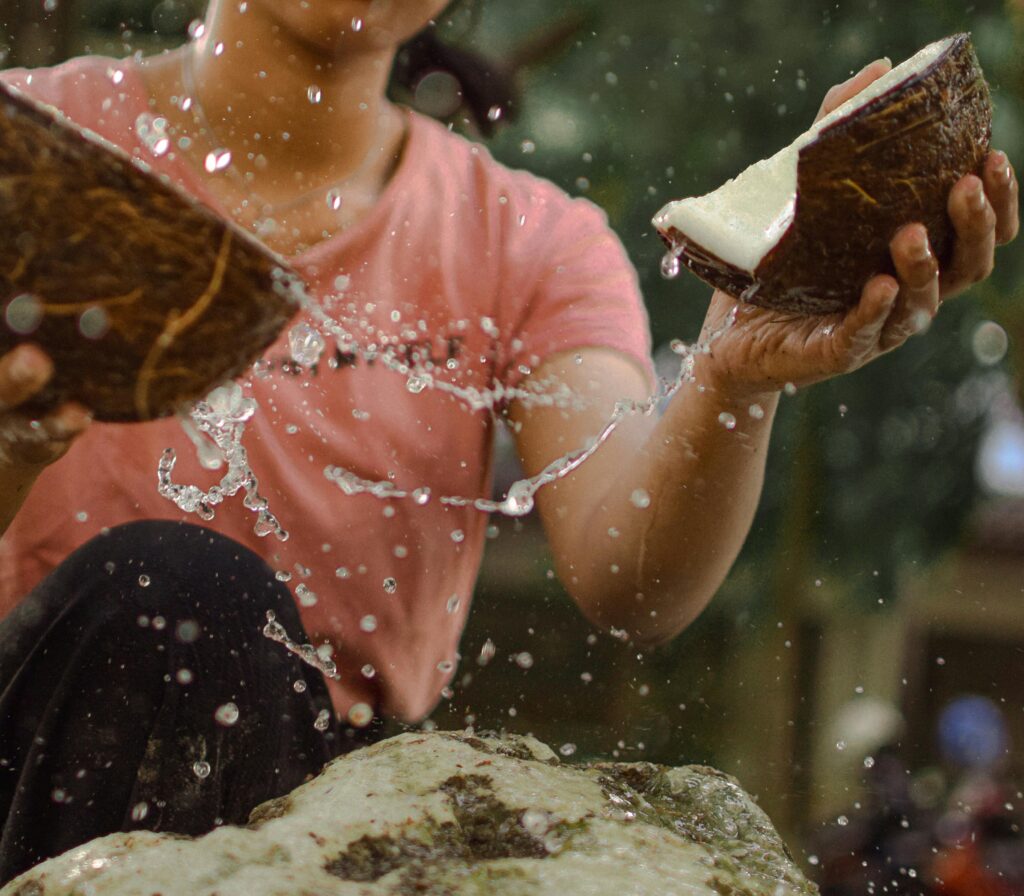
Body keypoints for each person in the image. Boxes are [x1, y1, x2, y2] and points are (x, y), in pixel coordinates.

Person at [0, 0, 1017, 883]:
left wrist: (730, 379)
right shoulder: (28, 143)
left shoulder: (529, 242)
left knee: (198, 599)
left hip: (315, 820)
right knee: (173, 593)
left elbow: (633, 582)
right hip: (21, 749)